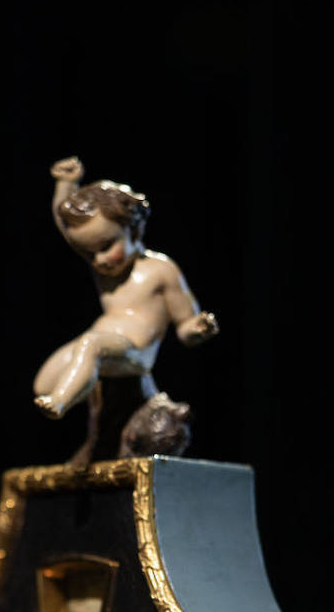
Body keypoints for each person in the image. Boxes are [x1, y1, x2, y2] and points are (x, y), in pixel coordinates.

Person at [34, 156, 218, 421]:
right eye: (89, 253)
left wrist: (197, 328)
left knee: (90, 345)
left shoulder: (161, 269)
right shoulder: (102, 267)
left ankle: (60, 402)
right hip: (100, 345)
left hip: (135, 352)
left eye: (106, 247)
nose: (98, 260)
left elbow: (185, 325)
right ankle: (85, 390)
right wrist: (66, 184)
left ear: (133, 230)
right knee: (44, 383)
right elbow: (64, 224)